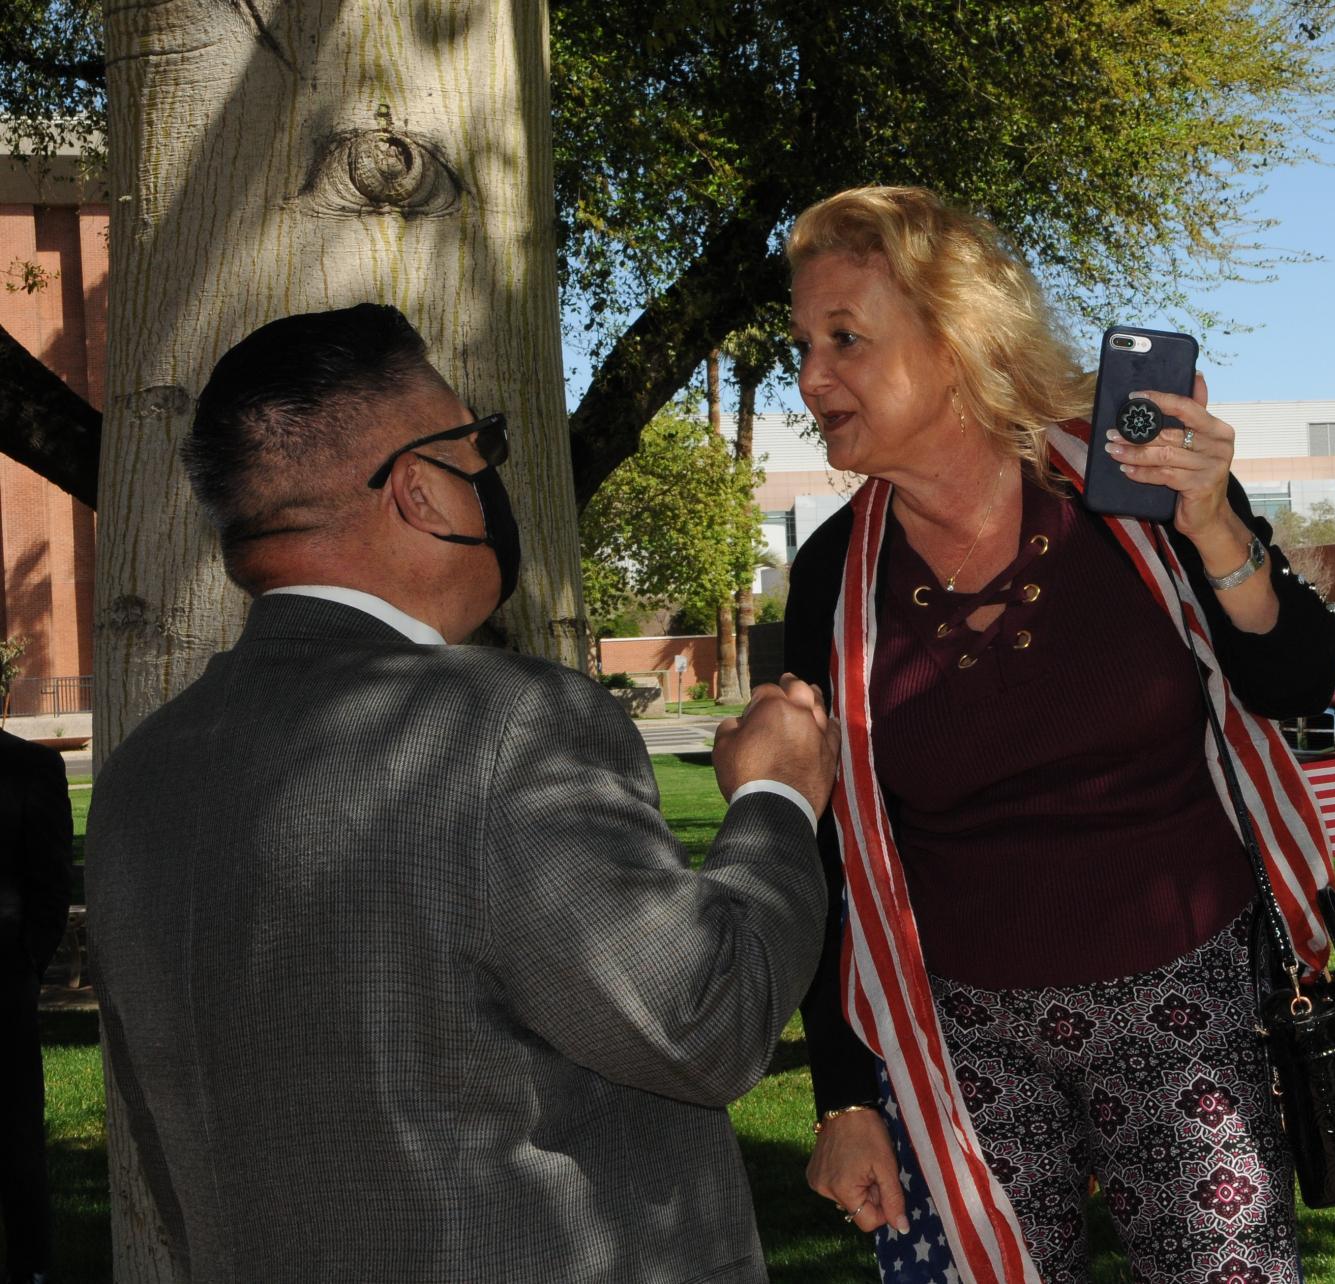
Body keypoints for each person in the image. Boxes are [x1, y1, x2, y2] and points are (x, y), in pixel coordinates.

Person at [88, 303, 839, 1283]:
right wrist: (777, 799)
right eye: (479, 447)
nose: (493, 478)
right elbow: (709, 1017)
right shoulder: (507, 725)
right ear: (420, 492)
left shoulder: (143, 775)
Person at [781, 188, 1335, 1284]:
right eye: (803, 344)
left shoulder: (1125, 491)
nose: (810, 378)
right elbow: (826, 858)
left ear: (956, 341)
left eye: (845, 339)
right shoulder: (830, 581)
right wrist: (845, 1098)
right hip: (957, 1043)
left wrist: (1216, 521)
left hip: (1189, 1015)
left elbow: (1298, 675)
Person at [0, 728, 73, 1284]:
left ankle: (31, 1268)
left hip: (3, 979)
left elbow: (52, 879)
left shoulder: (31, 768)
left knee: (17, 1135)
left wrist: (28, 959)